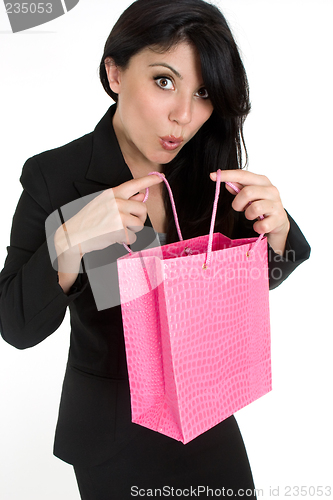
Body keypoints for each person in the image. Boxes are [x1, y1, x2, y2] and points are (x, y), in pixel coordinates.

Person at [0, 0, 311, 498]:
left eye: (203, 92)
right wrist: (68, 243)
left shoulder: (207, 169)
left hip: (207, 414)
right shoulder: (55, 177)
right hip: (115, 436)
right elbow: (16, 328)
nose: (184, 117)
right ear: (115, 72)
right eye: (164, 81)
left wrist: (276, 237)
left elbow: (239, 291)